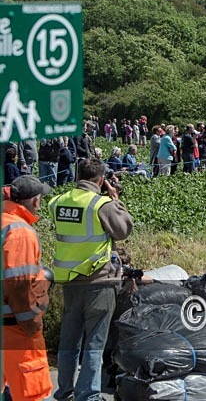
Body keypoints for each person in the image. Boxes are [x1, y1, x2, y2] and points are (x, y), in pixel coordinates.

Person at [50, 158, 133, 401]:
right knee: (95, 341)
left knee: (69, 340)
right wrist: (116, 200)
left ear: (78, 177)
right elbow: (123, 230)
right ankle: (87, 394)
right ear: (101, 180)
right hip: (98, 281)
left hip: (68, 280)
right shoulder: (102, 204)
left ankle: (64, 390)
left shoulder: (57, 202)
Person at [2, 175, 54, 401]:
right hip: (16, 329)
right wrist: (32, 322)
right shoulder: (20, 232)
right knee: (31, 391)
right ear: (35, 201)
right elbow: (18, 286)